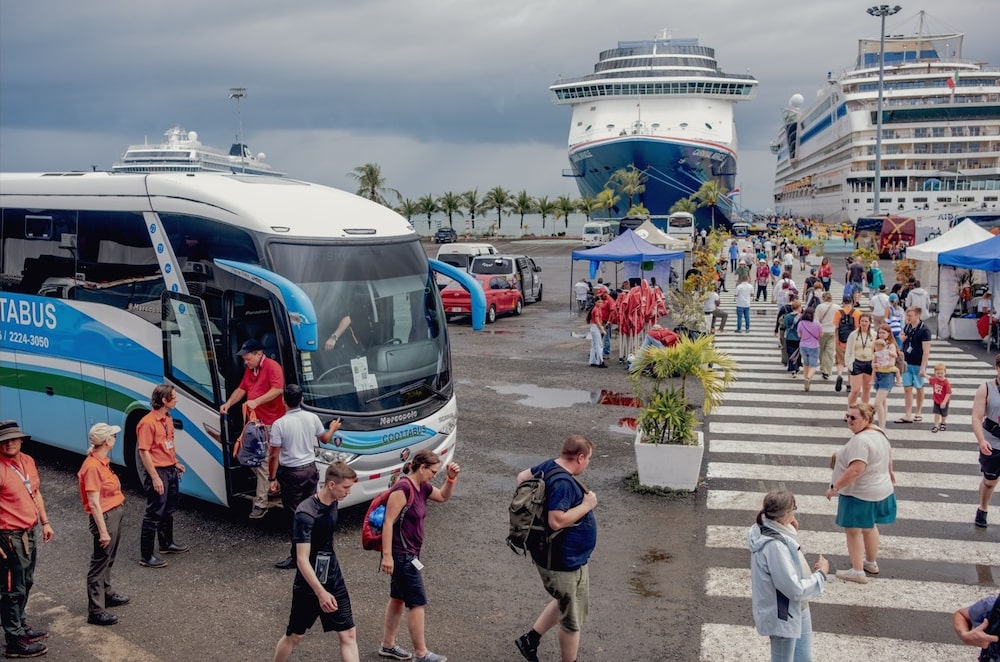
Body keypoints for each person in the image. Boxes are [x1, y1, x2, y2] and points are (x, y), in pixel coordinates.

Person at [515, 436, 597, 662]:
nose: (588, 462)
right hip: (562, 561)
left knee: (565, 601)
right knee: (572, 622)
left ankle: (530, 639)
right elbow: (556, 521)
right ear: (580, 457)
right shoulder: (563, 483)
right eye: (588, 458)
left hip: (568, 558)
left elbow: (522, 477)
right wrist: (586, 505)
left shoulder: (550, 466)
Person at [273, 462, 359, 662]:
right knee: (295, 635)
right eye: (345, 487)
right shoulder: (306, 514)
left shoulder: (334, 501)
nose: (348, 492)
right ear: (331, 484)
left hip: (333, 576)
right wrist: (320, 593)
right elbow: (301, 559)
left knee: (348, 633)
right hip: (309, 585)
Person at [379, 451, 460, 662]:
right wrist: (387, 556)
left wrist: (451, 479)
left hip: (411, 553)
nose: (434, 475)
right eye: (433, 471)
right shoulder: (403, 489)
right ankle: (421, 654)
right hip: (402, 555)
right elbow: (388, 522)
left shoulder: (421, 487)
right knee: (417, 603)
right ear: (421, 467)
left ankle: (388, 646)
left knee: (397, 599)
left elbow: (442, 496)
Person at [747, 489, 828, 662]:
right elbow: (794, 588)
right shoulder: (774, 546)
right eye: (794, 510)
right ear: (785, 514)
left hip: (798, 608)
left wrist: (790, 529)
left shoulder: (763, 527)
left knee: (804, 658)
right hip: (784, 613)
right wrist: (821, 574)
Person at [268, 384, 343, 570]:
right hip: (310, 470)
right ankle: (316, 550)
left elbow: (273, 455)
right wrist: (333, 428)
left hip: (291, 473)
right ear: (302, 399)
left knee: (295, 515)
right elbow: (325, 439)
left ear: (283, 401)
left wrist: (271, 479)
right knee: (313, 510)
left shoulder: (279, 424)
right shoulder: (312, 417)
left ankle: (297, 556)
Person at [824, 403, 896, 584]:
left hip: (860, 493)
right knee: (870, 526)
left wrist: (835, 487)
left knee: (853, 530)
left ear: (867, 419)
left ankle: (857, 571)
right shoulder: (879, 432)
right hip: (882, 488)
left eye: (853, 418)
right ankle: (870, 562)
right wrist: (890, 472)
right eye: (846, 416)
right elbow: (888, 455)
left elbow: (856, 469)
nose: (849, 420)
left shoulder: (860, 441)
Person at [0, 420, 54, 658]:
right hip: (8, 536)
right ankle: (14, 641)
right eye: (4, 440)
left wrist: (45, 521)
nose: (10, 443)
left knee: (27, 582)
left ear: (21, 440)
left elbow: (35, 492)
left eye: (13, 438)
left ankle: (21, 626)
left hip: (28, 532)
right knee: (12, 589)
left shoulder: (28, 461)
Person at [221, 338, 287, 519]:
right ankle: (274, 487)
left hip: (271, 423)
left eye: (248, 358)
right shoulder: (251, 369)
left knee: (264, 462)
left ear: (259, 354)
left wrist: (257, 401)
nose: (245, 362)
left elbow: (278, 389)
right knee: (248, 458)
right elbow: (241, 389)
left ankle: (261, 503)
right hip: (255, 424)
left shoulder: (272, 367)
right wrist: (229, 403)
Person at [78, 423, 129, 627]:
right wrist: (102, 531)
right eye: (113, 436)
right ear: (107, 441)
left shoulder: (100, 462)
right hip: (106, 517)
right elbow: (93, 502)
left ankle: (106, 594)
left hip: (113, 513)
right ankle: (96, 610)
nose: (115, 438)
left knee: (109, 558)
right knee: (100, 562)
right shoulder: (92, 467)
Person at [137, 384, 189, 568]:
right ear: (164, 400)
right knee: (154, 512)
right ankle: (146, 556)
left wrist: (175, 462)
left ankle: (167, 544)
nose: (177, 400)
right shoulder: (147, 423)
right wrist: (155, 477)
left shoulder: (167, 419)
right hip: (157, 471)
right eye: (174, 397)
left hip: (169, 469)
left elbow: (167, 444)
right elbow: (144, 452)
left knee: (169, 508)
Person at [972, 355, 1000, 528]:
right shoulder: (987, 388)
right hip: (993, 442)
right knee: (989, 482)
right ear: (997, 368)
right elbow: (976, 417)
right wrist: (981, 440)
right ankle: (983, 507)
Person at [898, 307, 932, 424]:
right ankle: (908, 413)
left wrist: (923, 367)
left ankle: (918, 412)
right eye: (907, 315)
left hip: (918, 363)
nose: (908, 317)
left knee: (919, 387)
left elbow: (926, 351)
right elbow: (904, 341)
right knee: (907, 388)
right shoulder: (907, 327)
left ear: (917, 315)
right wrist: (902, 340)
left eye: (910, 315)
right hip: (907, 361)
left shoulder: (925, 330)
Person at [872, 326, 901, 430]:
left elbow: (892, 362)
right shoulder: (878, 345)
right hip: (878, 374)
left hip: (887, 375)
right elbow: (874, 358)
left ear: (889, 333)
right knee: (882, 401)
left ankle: (881, 427)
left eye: (883, 333)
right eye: (879, 333)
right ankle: (882, 423)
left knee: (877, 402)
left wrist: (884, 365)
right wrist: (874, 365)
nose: (881, 335)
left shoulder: (890, 346)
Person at [845, 313, 877, 407]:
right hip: (857, 362)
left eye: (866, 321)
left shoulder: (874, 335)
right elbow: (848, 350)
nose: (864, 323)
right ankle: (850, 409)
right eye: (862, 321)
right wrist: (848, 364)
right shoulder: (853, 334)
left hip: (869, 363)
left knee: (866, 390)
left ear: (869, 323)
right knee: (855, 390)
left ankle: (864, 410)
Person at [832, 296, 861, 393]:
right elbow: (858, 328)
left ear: (843, 302)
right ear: (852, 302)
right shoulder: (857, 313)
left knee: (840, 361)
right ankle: (849, 384)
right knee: (850, 362)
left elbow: (836, 328)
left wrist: (836, 340)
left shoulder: (838, 313)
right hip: (852, 341)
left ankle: (839, 375)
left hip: (841, 341)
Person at [797, 309, 822, 392]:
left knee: (805, 364)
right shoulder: (817, 323)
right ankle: (808, 378)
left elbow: (799, 334)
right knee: (813, 365)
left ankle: (805, 379)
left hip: (803, 346)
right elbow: (821, 334)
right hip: (814, 346)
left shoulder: (801, 323)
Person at [815, 292, 837, 380]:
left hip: (822, 331)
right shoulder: (837, 307)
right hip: (833, 330)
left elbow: (816, 320)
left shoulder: (819, 307)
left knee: (821, 350)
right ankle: (827, 370)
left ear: (823, 298)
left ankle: (822, 366)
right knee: (830, 351)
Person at [929, 363, 953, 433]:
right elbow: (929, 378)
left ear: (945, 373)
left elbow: (948, 393)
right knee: (936, 413)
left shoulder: (946, 383)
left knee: (944, 414)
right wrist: (924, 374)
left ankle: (943, 423)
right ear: (935, 373)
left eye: (941, 373)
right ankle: (936, 426)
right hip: (936, 400)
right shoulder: (935, 379)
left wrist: (944, 402)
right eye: (938, 373)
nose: (940, 375)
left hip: (944, 401)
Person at [586, 293, 608, 368]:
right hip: (596, 328)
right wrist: (602, 330)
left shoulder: (595, 309)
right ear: (595, 302)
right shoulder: (596, 310)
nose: (601, 303)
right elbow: (597, 321)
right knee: (599, 345)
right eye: (599, 302)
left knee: (594, 345)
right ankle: (600, 362)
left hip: (594, 328)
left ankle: (593, 361)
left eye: (601, 302)